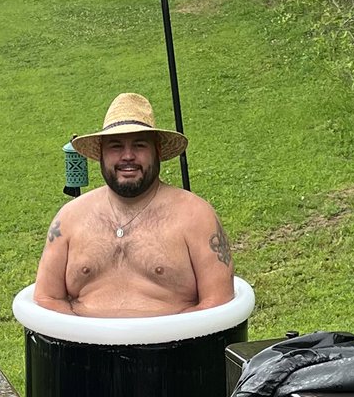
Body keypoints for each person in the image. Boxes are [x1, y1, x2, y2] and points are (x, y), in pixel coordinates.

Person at [34, 92, 234, 317]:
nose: (127, 156)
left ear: (157, 151)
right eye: (116, 146)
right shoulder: (70, 219)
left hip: (174, 348)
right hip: (81, 349)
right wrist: (84, 337)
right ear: (101, 154)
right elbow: (46, 298)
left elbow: (219, 303)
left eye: (139, 145)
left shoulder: (195, 216)